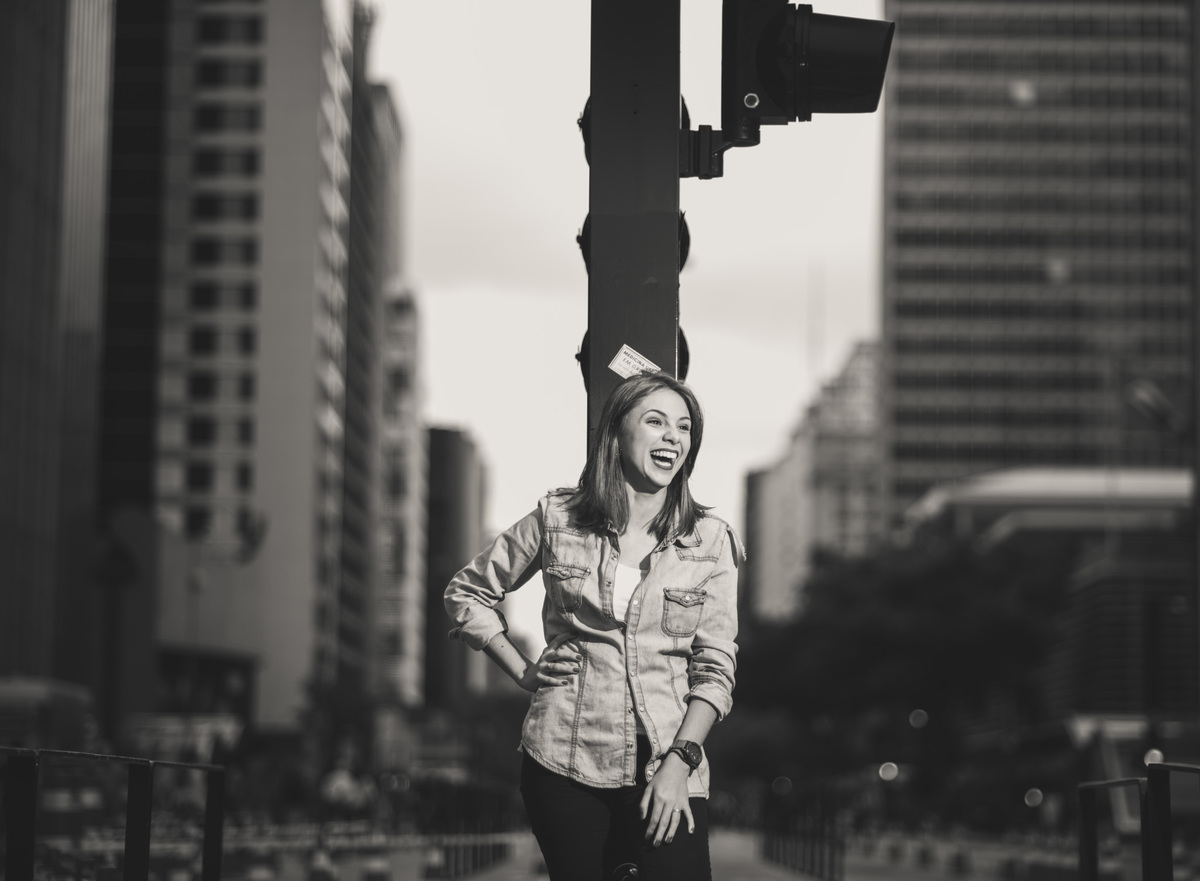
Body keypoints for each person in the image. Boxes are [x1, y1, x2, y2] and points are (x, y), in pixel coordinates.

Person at [445, 371, 742, 881]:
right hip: (563, 760)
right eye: (655, 421)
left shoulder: (711, 542)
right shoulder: (558, 518)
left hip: (669, 767)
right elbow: (466, 592)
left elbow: (715, 669)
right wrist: (521, 670)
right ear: (617, 432)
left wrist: (680, 762)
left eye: (685, 427)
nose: (673, 436)